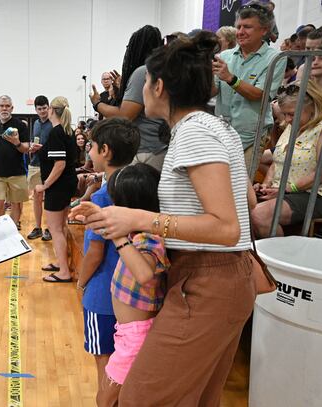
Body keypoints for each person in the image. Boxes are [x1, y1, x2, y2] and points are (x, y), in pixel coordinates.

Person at [73, 32, 256, 405]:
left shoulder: (193, 134)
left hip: (209, 279)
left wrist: (140, 220)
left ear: (158, 86)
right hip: (223, 277)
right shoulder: (217, 128)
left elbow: (226, 226)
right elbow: (247, 200)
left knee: (140, 397)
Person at [74, 118, 140, 402]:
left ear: (105, 151)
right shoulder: (141, 188)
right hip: (134, 297)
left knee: (106, 369)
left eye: (91, 147)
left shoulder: (102, 197)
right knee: (128, 370)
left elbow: (95, 253)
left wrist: (80, 283)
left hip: (102, 297)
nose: (88, 152)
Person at [94, 163, 169, 407]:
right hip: (128, 332)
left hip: (137, 335)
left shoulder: (149, 238)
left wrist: (116, 237)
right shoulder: (135, 234)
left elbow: (145, 273)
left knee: (105, 399)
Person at [252, 80, 322, 238]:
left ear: (312, 106)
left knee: (260, 215)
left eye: (291, 113)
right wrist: (266, 185)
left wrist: (286, 189)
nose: (287, 119)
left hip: (319, 194)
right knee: (239, 204)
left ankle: (280, 260)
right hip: (286, 191)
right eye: (284, 114)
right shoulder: (293, 125)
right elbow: (278, 161)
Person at [213, 1, 286, 173]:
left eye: (247, 27)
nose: (240, 32)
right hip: (222, 132)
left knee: (241, 186)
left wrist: (230, 78)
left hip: (252, 136)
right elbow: (213, 91)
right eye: (238, 27)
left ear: (264, 30)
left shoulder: (276, 58)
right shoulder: (225, 55)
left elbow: (259, 95)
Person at [90, 25, 169, 172]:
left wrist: (97, 103)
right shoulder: (160, 69)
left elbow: (125, 115)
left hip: (147, 150)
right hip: (156, 147)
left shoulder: (142, 72)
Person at [38, 96, 78, 283]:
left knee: (55, 229)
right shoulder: (68, 131)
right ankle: (63, 263)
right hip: (68, 184)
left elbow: (59, 164)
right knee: (61, 227)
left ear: (52, 111)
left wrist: (45, 185)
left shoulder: (56, 132)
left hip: (58, 186)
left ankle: (64, 271)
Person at [0, 95, 30, 229]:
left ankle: (12, 228)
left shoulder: (20, 126)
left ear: (12, 108)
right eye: (2, 106)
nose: (4, 108)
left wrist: (16, 143)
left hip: (16, 172)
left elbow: (26, 149)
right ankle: (0, 230)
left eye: (7, 106)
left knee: (16, 204)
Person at [26, 95, 53, 241]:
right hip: (36, 163)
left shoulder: (54, 123)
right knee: (36, 197)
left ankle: (49, 228)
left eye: (44, 108)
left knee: (49, 197)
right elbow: (33, 140)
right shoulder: (35, 123)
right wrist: (31, 147)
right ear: (35, 109)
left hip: (50, 164)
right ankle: (38, 227)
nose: (42, 111)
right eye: (39, 108)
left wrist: (42, 148)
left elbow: (55, 145)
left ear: (48, 108)